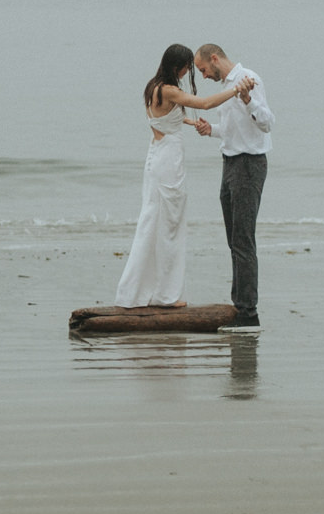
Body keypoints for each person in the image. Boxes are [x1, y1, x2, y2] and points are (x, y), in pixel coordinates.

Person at [114, 44, 253, 308]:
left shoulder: (153, 87)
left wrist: (189, 123)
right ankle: (166, 295)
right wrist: (236, 89)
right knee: (168, 226)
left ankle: (143, 292)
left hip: (157, 158)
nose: (190, 71)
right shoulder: (170, 90)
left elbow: (161, 120)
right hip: (168, 164)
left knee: (154, 223)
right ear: (178, 66)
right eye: (189, 67)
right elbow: (204, 103)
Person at [188, 43, 273, 329]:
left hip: (249, 165)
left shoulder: (248, 78)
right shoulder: (227, 87)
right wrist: (210, 130)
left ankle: (248, 313)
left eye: (202, 69)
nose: (203, 76)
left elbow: (267, 123)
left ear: (214, 59)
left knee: (243, 240)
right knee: (234, 240)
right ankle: (240, 305)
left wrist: (248, 99)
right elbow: (233, 131)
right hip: (230, 163)